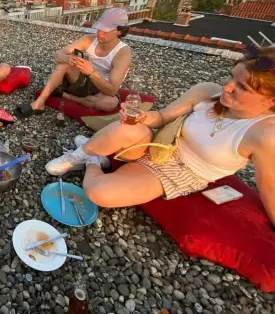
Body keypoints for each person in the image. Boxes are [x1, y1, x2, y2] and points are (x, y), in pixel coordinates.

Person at [45, 45, 275, 227]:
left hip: (181, 173)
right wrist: (141, 117)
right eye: (230, 76)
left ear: (271, 100)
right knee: (127, 127)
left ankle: (94, 160)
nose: (227, 87)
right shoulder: (207, 92)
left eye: (242, 87)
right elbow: (163, 117)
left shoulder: (264, 133)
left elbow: (270, 187)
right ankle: (79, 154)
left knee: (98, 193)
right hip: (160, 142)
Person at [16, 8, 132, 117]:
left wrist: (91, 73)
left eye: (106, 30)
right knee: (64, 63)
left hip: (103, 87)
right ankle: (39, 103)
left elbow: (112, 90)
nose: (100, 33)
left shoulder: (123, 53)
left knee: (109, 103)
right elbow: (57, 54)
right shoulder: (90, 39)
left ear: (120, 31)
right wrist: (67, 59)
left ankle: (66, 95)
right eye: (99, 28)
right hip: (85, 80)